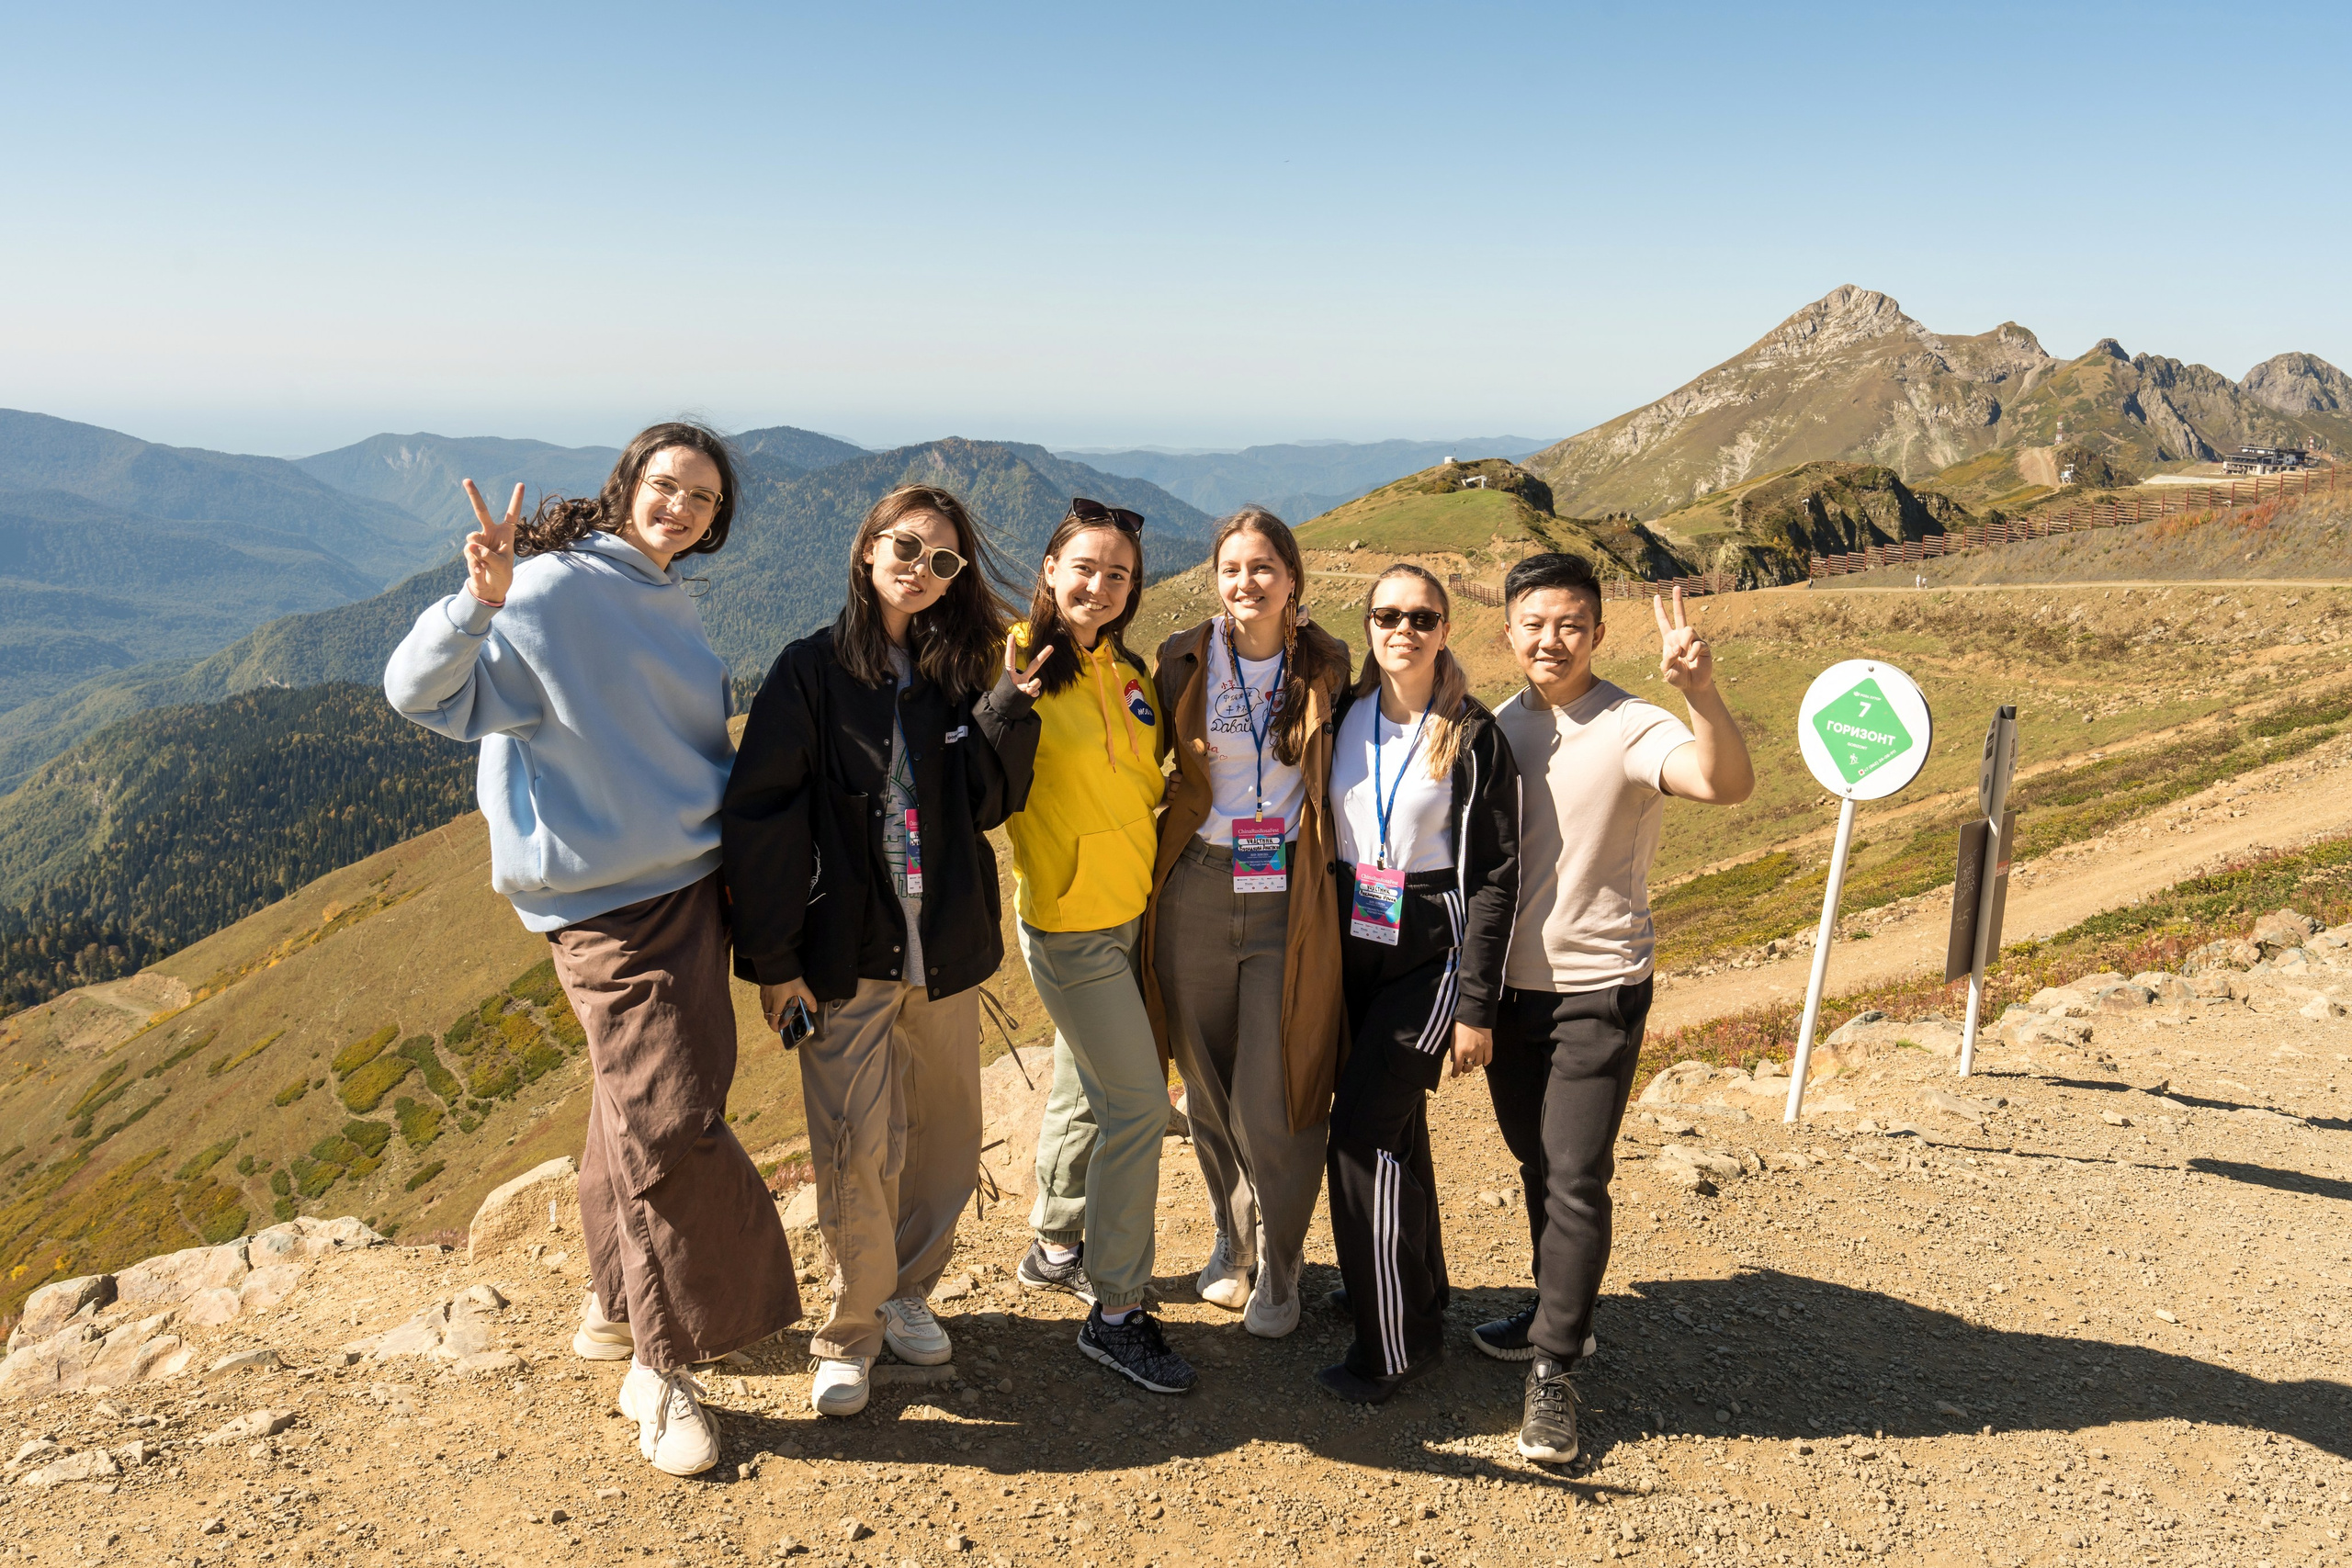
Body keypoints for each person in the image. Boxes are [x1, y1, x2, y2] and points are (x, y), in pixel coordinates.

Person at [382, 422, 797, 1478]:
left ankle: (615, 1311)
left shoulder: (663, 592)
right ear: (628, 487)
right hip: (608, 908)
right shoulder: (555, 586)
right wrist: (476, 599)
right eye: (667, 487)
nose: (683, 508)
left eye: (703, 499)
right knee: (673, 1120)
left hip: (691, 889)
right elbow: (420, 693)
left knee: (630, 1111)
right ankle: (661, 1373)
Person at [720, 485, 1042, 1418]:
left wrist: (1006, 706)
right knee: (858, 1149)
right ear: (867, 549)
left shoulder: (953, 670)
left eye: (943, 561)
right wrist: (775, 961)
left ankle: (907, 1291)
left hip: (939, 953)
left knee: (941, 1146)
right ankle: (848, 1334)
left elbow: (983, 805)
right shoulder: (809, 671)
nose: (920, 567)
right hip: (844, 955)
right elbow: (762, 817)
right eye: (905, 546)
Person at [1485, 555, 1754, 1463]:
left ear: (1597, 634)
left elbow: (1723, 785)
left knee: (1573, 1172)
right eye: (1533, 623)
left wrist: (1702, 698)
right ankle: (1556, 1308)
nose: (1549, 640)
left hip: (1597, 986)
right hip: (1511, 991)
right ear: (1508, 631)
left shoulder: (1634, 724)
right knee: (1534, 1159)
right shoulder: (1496, 728)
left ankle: (1555, 1367)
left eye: (1568, 624)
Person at [1143, 508, 1351, 1339]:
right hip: (1192, 884)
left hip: (1287, 898)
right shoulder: (1183, 658)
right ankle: (1233, 1241)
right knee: (1206, 1087)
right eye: (1232, 568)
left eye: (1264, 567)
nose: (1247, 583)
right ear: (1214, 578)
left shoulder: (1328, 665)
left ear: (1292, 578)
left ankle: (1285, 1258)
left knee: (1276, 1092)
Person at [1001, 499, 1194, 1393]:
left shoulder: (1127, 672)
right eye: (1083, 567)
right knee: (1139, 1108)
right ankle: (1116, 1312)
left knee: (1088, 1081)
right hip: (1070, 923)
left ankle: (1054, 1244)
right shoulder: (1019, 658)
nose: (1099, 585)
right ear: (1049, 569)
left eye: (1117, 574)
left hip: (1130, 912)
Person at [1317, 565, 1518, 1403]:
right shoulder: (1342, 715)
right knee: (1398, 1130)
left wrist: (1475, 1003)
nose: (1404, 628)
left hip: (1433, 946)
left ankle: (1387, 1346)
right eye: (1387, 614)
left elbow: (1499, 874)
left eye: (1422, 616)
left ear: (1445, 628)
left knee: (1359, 1138)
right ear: (1366, 624)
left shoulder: (1472, 734)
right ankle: (1415, 1293)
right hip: (1353, 936)